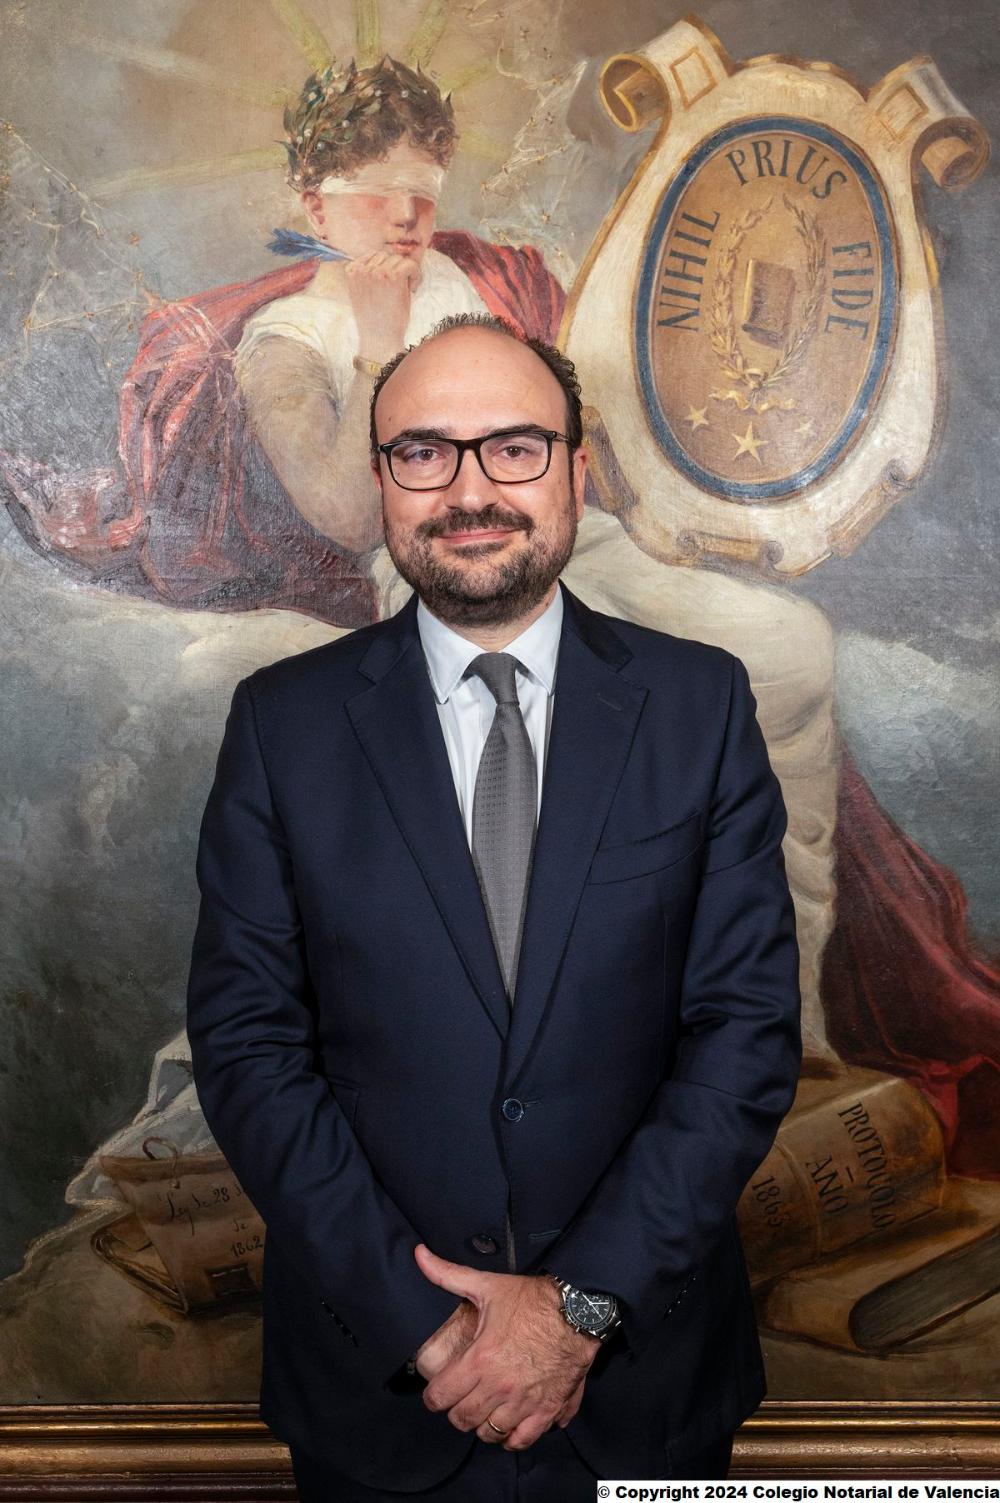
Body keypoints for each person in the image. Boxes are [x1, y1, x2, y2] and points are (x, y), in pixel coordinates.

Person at [186, 314, 803, 1500]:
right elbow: (250, 1051)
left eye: (514, 448)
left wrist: (575, 1311)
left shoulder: (700, 707)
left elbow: (744, 1033)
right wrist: (430, 1331)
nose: (469, 492)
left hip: (644, 1388)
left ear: (578, 468)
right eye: (423, 453)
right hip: (385, 1390)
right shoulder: (280, 725)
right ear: (381, 480)